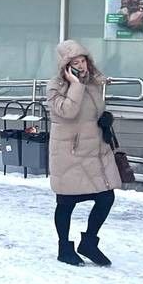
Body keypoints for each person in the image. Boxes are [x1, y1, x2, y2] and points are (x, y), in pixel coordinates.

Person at [47, 40, 122, 267]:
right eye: (76, 62)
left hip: (94, 151)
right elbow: (68, 112)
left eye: (83, 60)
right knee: (66, 202)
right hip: (69, 153)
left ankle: (89, 242)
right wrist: (75, 84)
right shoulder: (55, 86)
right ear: (66, 65)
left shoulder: (93, 84)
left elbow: (93, 112)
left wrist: (106, 118)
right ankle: (64, 248)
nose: (82, 65)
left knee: (106, 197)